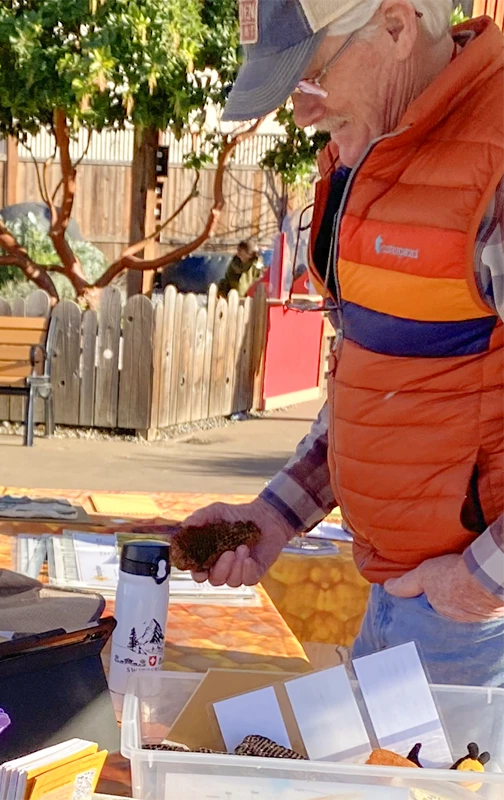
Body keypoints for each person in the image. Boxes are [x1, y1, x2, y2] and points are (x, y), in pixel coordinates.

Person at [185, 0, 504, 686]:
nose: (301, 115)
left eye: (310, 77)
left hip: (478, 621)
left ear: (394, 27)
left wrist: (477, 584)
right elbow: (376, 382)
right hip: (411, 595)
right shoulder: (375, 153)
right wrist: (271, 518)